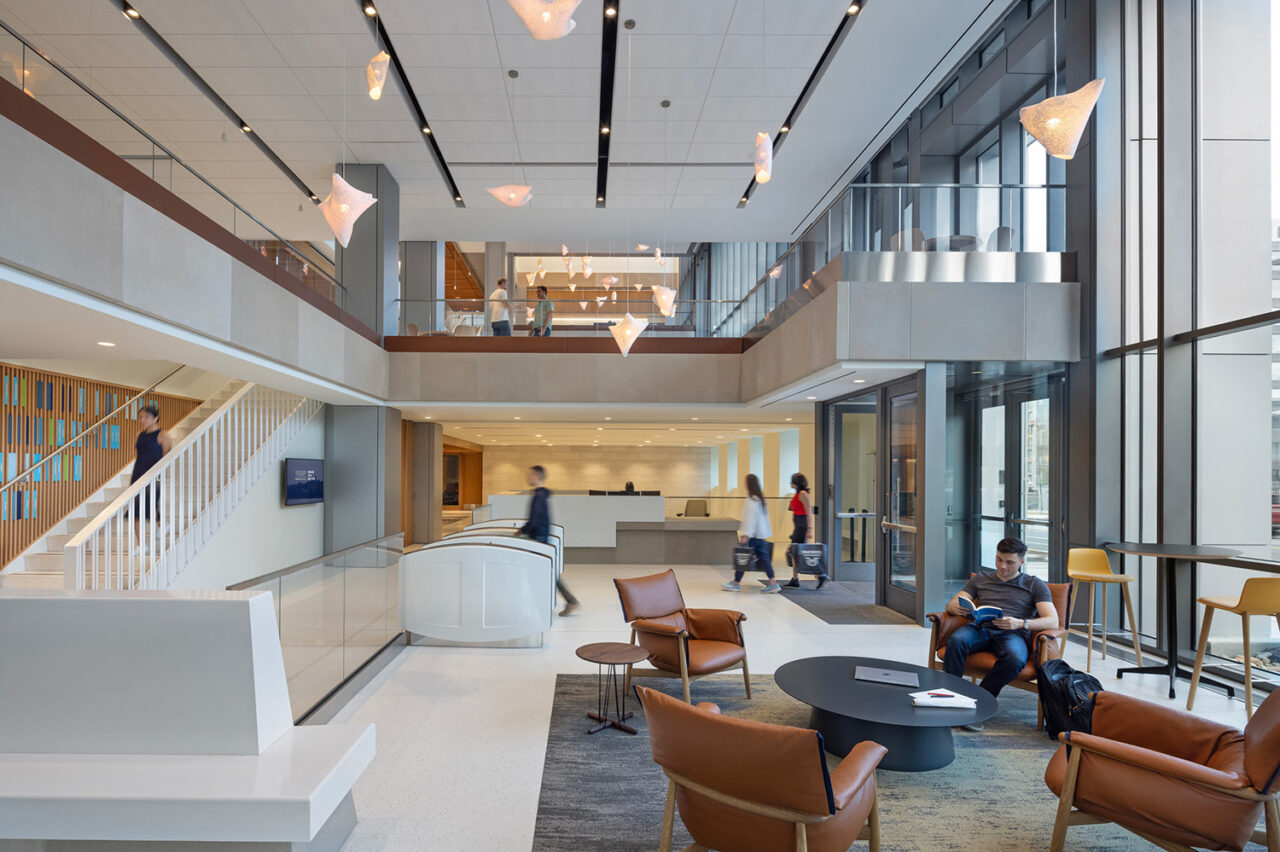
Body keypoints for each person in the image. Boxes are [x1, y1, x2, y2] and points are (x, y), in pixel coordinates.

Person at [943, 537, 1057, 727]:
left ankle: (979, 704)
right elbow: (951, 603)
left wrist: (1020, 623)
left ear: (1021, 562)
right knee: (956, 641)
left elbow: (1053, 619)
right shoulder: (980, 578)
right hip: (980, 629)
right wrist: (956, 608)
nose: (1002, 566)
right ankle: (950, 699)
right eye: (998, 560)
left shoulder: (1034, 584)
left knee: (1015, 659)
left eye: (1009, 562)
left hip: (1012, 633)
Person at [519, 465, 579, 616]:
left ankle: (569, 601)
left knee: (544, 572)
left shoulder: (538, 496)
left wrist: (521, 531)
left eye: (531, 474)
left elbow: (535, 520)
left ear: (537, 476)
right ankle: (568, 601)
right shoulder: (540, 495)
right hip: (540, 537)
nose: (528, 477)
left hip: (538, 538)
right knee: (545, 572)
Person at [722, 473, 779, 593]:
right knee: (764, 558)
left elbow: (750, 518)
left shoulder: (751, 500)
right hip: (760, 535)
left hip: (752, 535)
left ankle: (736, 583)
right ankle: (773, 582)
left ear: (749, 484)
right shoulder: (759, 498)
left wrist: (746, 534)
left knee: (743, 557)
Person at [130, 403, 172, 556]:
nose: (143, 420)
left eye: (146, 417)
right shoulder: (139, 435)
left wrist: (158, 473)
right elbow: (139, 455)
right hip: (138, 473)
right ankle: (141, 545)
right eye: (141, 417)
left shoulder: (162, 435)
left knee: (150, 505)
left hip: (154, 475)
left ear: (155, 418)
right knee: (135, 511)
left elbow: (166, 456)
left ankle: (162, 524)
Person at [782, 472, 827, 589]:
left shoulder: (803, 494)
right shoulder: (797, 494)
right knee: (796, 552)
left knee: (800, 552)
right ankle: (795, 579)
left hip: (802, 525)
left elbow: (809, 512)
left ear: (797, 483)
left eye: (792, 481)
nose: (790, 483)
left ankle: (820, 574)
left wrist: (810, 529)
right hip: (798, 524)